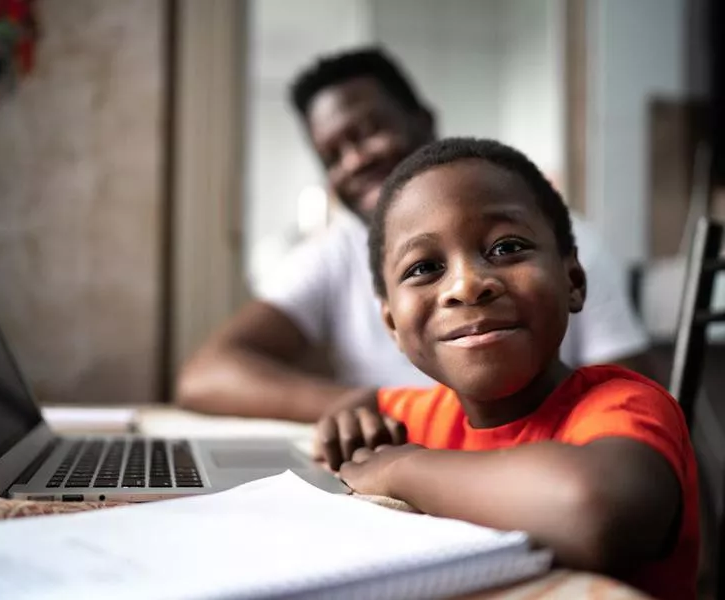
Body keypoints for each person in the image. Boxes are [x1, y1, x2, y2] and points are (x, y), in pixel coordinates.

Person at [175, 48, 652, 422]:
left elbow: (635, 399)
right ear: (390, 319)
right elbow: (206, 374)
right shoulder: (334, 253)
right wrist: (383, 409)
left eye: (369, 130)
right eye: (333, 154)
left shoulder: (555, 238)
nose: (356, 159)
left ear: (422, 119)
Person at [316, 137, 697, 600]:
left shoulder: (625, 405)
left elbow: (592, 510)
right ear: (393, 325)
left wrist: (403, 469)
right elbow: (369, 401)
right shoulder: (426, 414)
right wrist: (349, 416)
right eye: (425, 268)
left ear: (573, 282)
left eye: (506, 247)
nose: (467, 285)